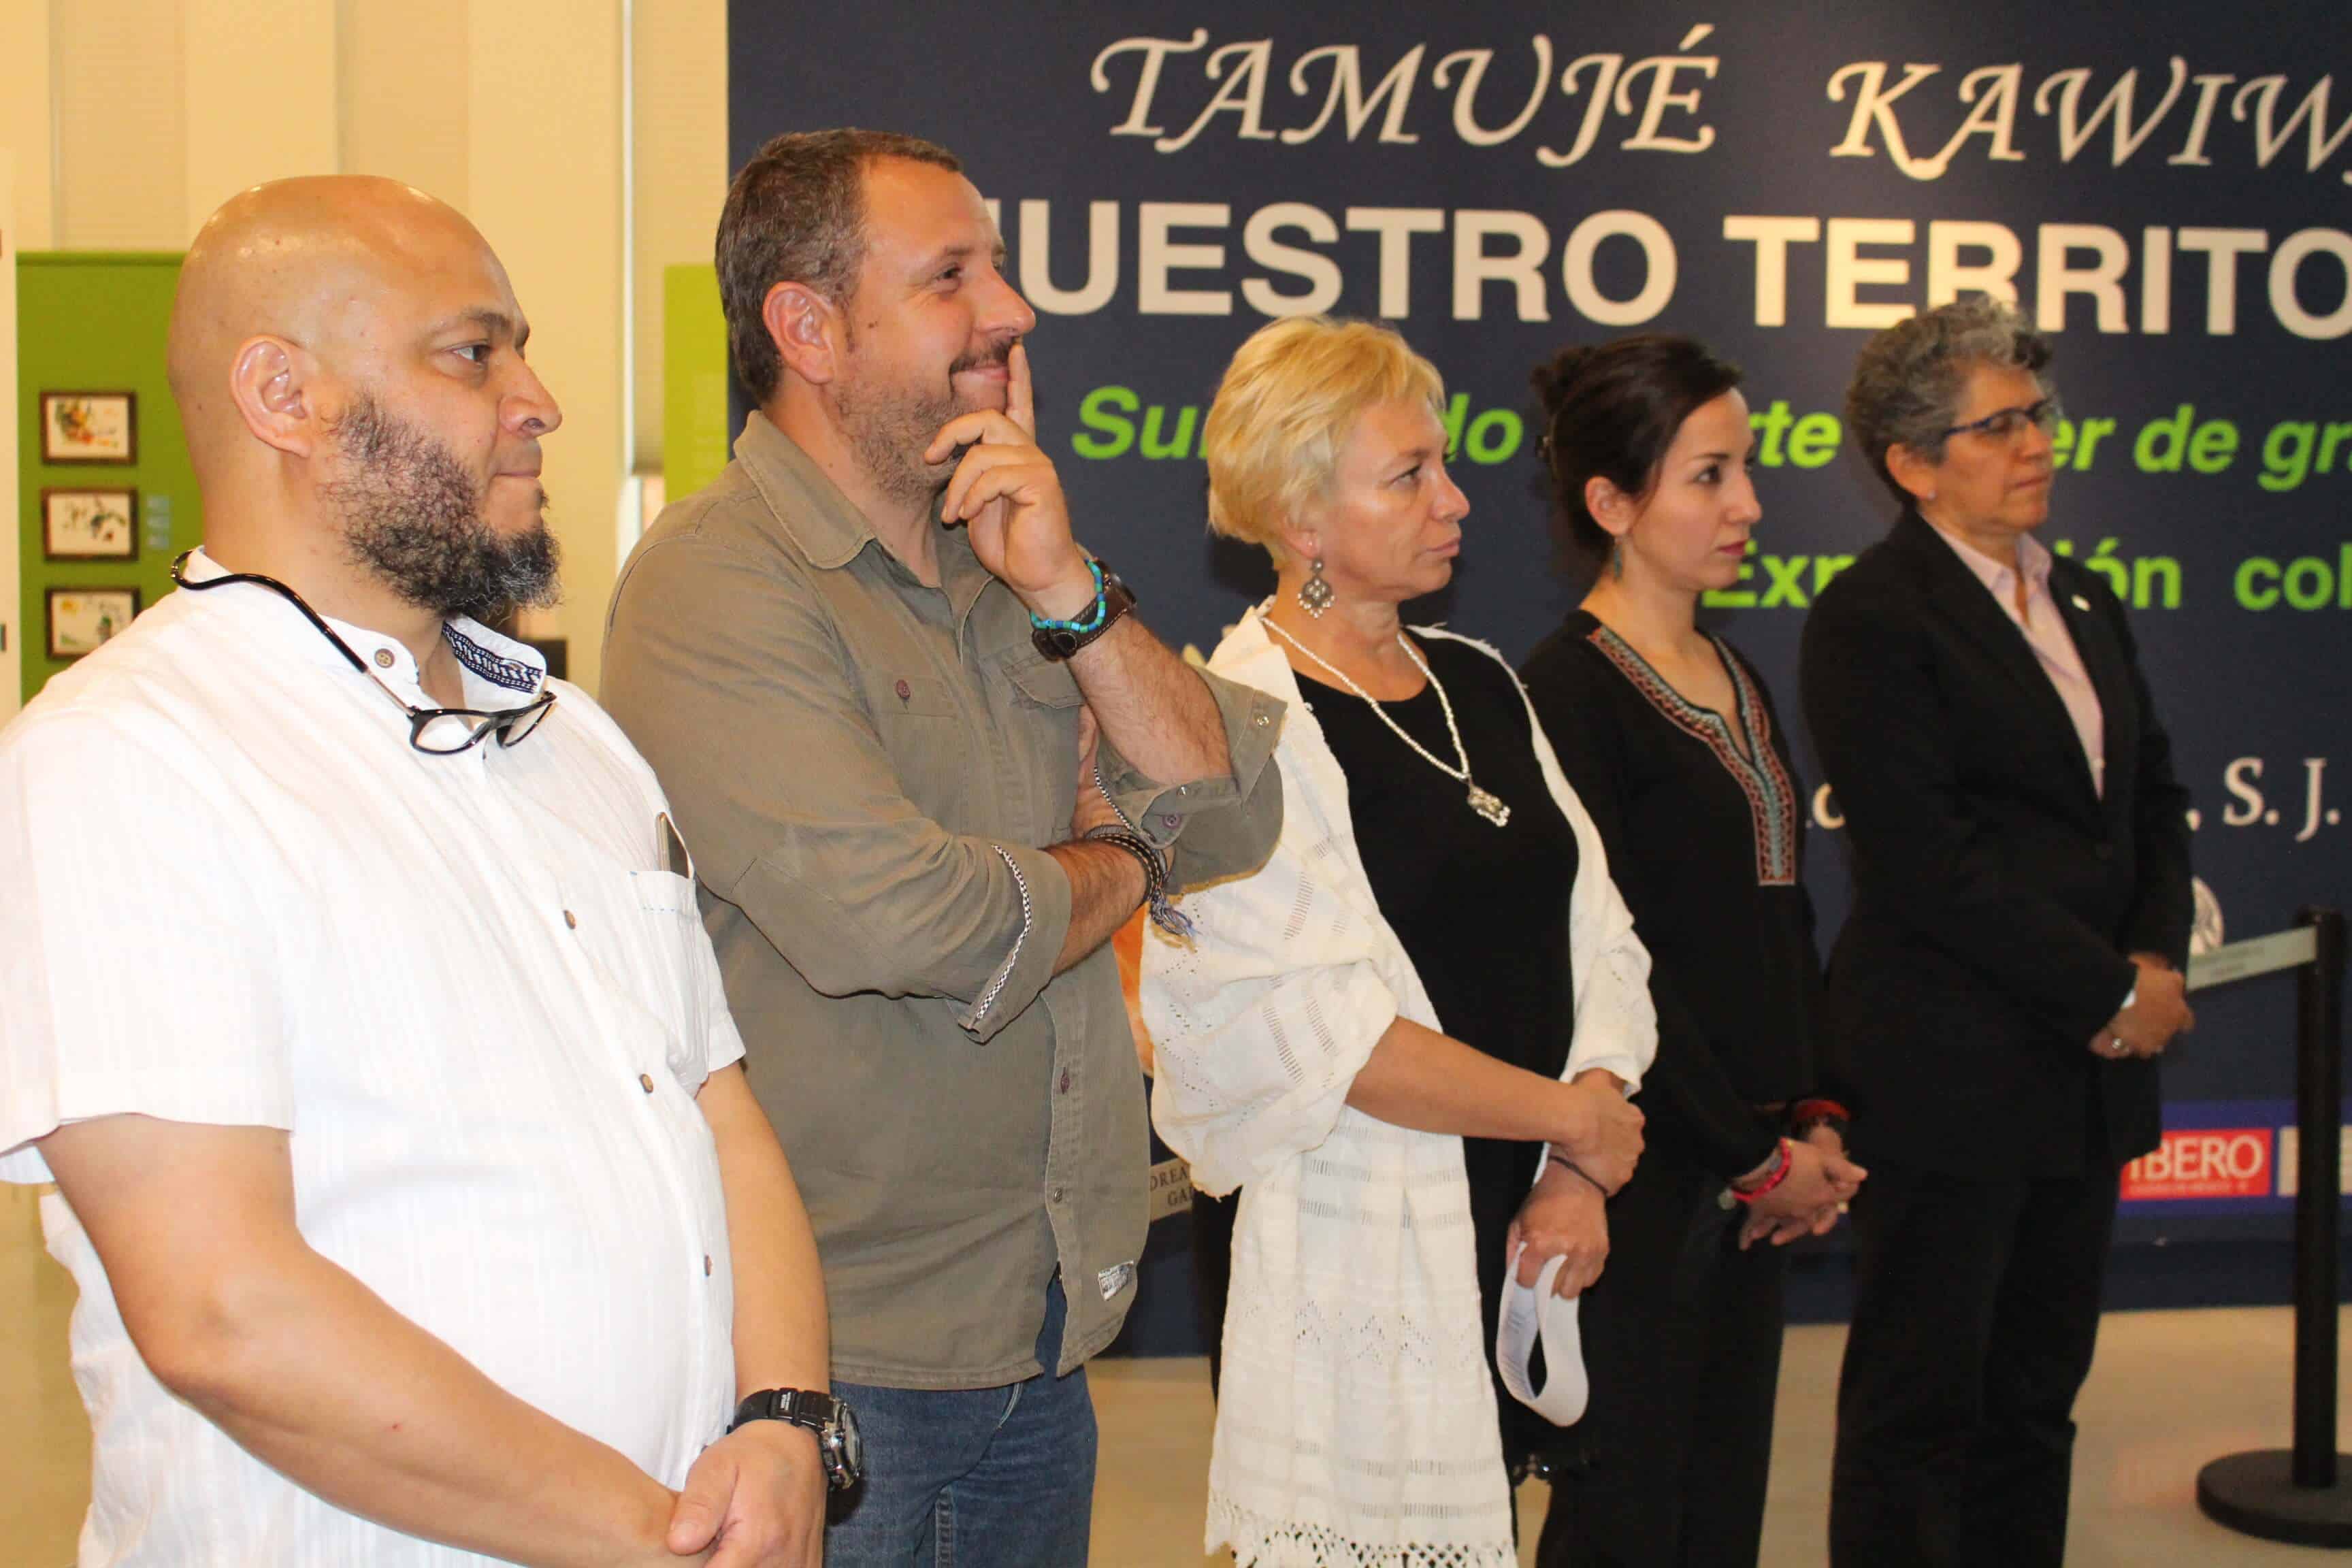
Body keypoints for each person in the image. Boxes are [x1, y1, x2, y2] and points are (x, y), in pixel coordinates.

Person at [0, 176, 836, 1567]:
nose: (541, 401)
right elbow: (221, 1310)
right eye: (474, 352)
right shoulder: (127, 756)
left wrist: (787, 1421)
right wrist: (664, 1539)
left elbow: (720, 1116)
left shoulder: (579, 743)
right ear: (285, 395)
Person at [599, 129, 1284, 1568]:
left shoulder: (1008, 560)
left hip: (1039, 1332)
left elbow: (1222, 808)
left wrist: (1068, 590)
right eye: (952, 277)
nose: (1011, 312)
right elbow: (900, 921)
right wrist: (1117, 855)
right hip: (834, 1361)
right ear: (810, 329)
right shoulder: (714, 582)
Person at [1140, 315, 1656, 1568]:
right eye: (1409, 475)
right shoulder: (1233, 722)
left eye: (1446, 465)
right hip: (1353, 1240)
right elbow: (1329, 1043)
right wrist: (1572, 1125)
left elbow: (1604, 936)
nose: (1457, 500)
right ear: (1305, 522)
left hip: (1530, 1210)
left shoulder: (1483, 681)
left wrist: (1579, 1160)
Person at [1803, 295, 2195, 1568]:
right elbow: (1929, 865)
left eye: (2039, 414)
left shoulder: (2079, 597)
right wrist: (2104, 988)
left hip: (2081, 1081)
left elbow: (2148, 797)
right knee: (1921, 1409)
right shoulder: (1874, 616)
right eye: (2000, 425)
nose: (2038, 442)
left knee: (2035, 1401)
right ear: (1913, 464)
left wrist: (2155, 964)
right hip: (1950, 1073)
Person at [1517, 333, 1867, 1567]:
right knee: (1622, 1512)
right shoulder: (1564, 694)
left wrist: (1816, 1120)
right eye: (1709, 476)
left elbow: (1784, 919)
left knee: (1721, 1510)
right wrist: (1747, 1151)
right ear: (1612, 504)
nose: (1750, 506)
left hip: (1755, 1169)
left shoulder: (1733, 666)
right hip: (1647, 1178)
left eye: (1746, 472)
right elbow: (1618, 967)